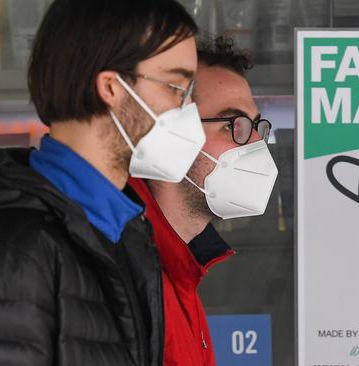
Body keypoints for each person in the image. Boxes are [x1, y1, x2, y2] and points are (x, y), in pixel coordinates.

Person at [0, 1, 203, 365]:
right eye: (176, 87)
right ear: (111, 87)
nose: (188, 109)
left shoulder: (123, 233)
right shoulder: (12, 252)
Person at [128, 36, 278, 366]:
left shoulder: (181, 270)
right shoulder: (125, 270)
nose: (255, 144)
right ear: (167, 134)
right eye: (232, 124)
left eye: (257, 127)